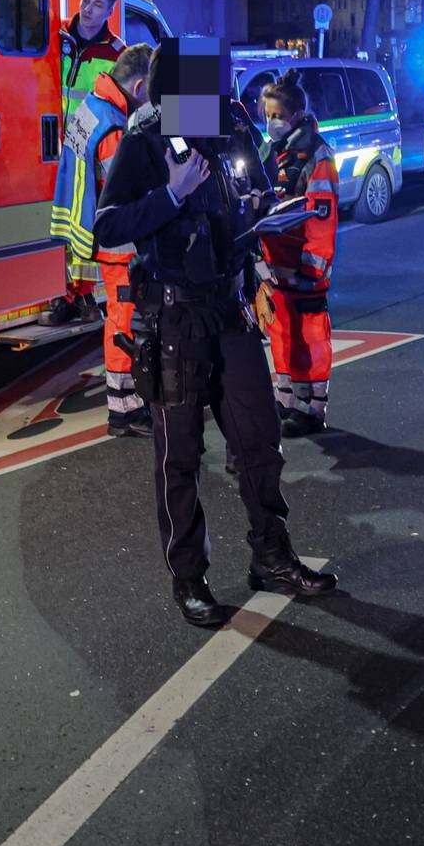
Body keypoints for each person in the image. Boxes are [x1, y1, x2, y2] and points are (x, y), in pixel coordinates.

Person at [93, 37, 337, 628]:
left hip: (230, 308)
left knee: (260, 438)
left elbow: (254, 193)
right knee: (180, 456)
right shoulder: (146, 135)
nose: (215, 97)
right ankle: (189, 578)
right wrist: (171, 194)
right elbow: (107, 225)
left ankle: (271, 556)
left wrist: (272, 214)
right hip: (175, 316)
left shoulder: (233, 124)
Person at [53, 42, 155, 437]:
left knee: (117, 315)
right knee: (124, 320)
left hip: (94, 230)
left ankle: (123, 403)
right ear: (140, 86)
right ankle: (125, 408)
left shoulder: (92, 105)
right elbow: (126, 185)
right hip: (119, 242)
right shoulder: (114, 126)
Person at [254, 74, 339, 437]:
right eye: (267, 114)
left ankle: (312, 409)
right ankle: (286, 399)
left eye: (277, 115)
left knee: (311, 338)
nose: (271, 122)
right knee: (283, 334)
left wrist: (313, 267)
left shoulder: (317, 155)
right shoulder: (271, 151)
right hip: (277, 265)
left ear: (297, 114)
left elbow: (322, 215)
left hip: (305, 268)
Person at [43, 0, 129, 326]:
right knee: (62, 222)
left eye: (97, 4)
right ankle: (69, 293)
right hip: (50, 145)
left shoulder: (117, 53)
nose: (88, 8)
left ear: (110, 12)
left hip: (88, 150)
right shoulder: (57, 36)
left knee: (81, 224)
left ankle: (78, 294)